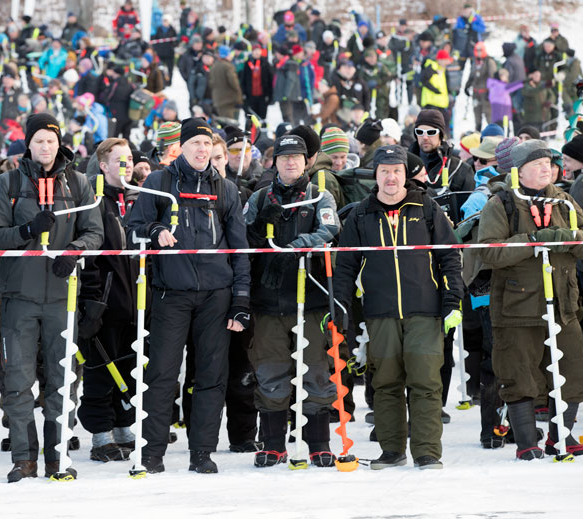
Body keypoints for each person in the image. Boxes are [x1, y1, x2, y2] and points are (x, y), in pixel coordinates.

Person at [126, 118, 251, 474]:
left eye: (206, 144)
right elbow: (134, 226)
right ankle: (152, 452)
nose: (201, 150)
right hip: (171, 293)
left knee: (212, 375)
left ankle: (202, 452)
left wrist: (240, 299)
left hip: (217, 295)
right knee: (162, 374)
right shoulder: (159, 181)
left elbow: (240, 249)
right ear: (181, 147)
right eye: (194, 143)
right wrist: (156, 230)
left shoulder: (225, 189)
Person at [0, 113, 103, 482]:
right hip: (19, 295)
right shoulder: (8, 182)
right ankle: (23, 457)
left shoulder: (78, 182)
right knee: (17, 380)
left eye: (50, 140)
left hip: (63, 296)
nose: (45, 147)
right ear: (28, 145)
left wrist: (75, 251)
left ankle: (58, 457)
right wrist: (27, 229)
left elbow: (94, 232)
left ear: (59, 143)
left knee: (62, 379)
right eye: (38, 141)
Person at [333, 145, 464, 470]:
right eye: (384, 171)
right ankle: (392, 450)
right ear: (375, 176)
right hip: (380, 313)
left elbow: (449, 256)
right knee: (386, 384)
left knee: (425, 383)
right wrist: (339, 308)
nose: (391, 177)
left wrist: (452, 301)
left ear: (405, 174)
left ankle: (427, 452)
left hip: (425, 312)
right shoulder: (362, 214)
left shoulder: (427, 208)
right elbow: (346, 267)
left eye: (396, 171)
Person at [477, 140, 583, 460]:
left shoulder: (565, 202)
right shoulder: (502, 204)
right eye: (538, 165)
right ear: (519, 171)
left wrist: (568, 240)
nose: (546, 169)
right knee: (519, 372)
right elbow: (489, 251)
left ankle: (561, 436)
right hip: (516, 307)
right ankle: (526, 441)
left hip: (563, 305)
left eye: (549, 164)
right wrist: (533, 240)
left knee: (573, 368)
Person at [243, 134, 340, 467]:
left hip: (309, 299)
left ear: (307, 162)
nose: (290, 162)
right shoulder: (258, 197)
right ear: (275, 162)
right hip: (268, 301)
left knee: (315, 371)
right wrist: (259, 226)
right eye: (284, 157)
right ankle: (272, 443)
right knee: (270, 371)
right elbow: (242, 236)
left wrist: (301, 244)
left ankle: (319, 443)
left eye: (296, 157)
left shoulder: (319, 196)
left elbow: (330, 230)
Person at [78, 138, 138, 462]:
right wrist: (91, 300)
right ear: (104, 166)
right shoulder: (96, 201)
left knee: (127, 368)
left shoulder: (134, 200)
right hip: (104, 301)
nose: (126, 165)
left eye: (129, 159)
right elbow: (91, 256)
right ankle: (100, 434)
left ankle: (123, 425)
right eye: (119, 160)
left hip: (133, 302)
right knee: (101, 370)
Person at [408, 109, 475, 192]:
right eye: (419, 132)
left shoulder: (460, 169)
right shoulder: (405, 166)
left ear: (440, 135)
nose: (425, 137)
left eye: (431, 132)